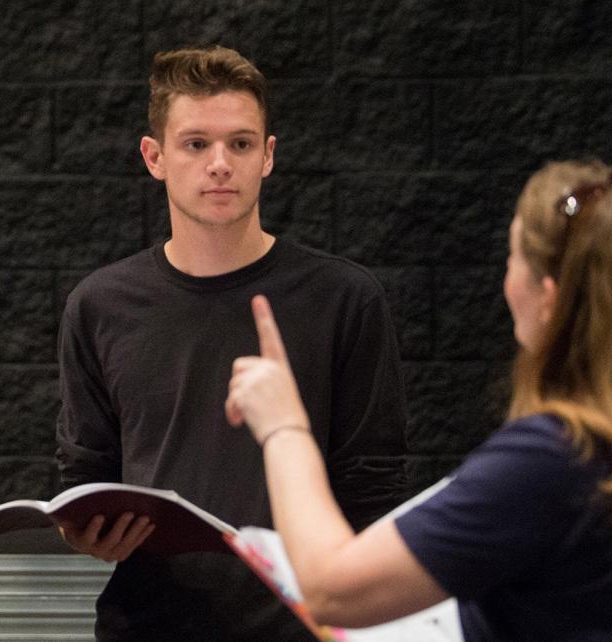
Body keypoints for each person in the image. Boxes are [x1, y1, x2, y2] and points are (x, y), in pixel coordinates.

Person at [56, 45, 408, 640]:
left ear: (267, 156)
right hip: (147, 626)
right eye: (196, 144)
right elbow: (84, 473)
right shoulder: (99, 305)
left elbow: (373, 491)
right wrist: (84, 532)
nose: (220, 163)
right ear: (155, 157)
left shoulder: (345, 298)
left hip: (300, 630)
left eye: (240, 144)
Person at [226, 159, 612, 641]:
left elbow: (331, 592)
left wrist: (284, 426)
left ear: (549, 299)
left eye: (511, 258)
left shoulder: (554, 458)